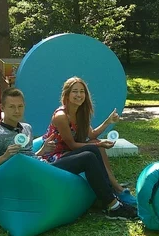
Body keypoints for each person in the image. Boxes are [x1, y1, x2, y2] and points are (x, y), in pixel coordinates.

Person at [0, 88, 138, 220]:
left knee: (93, 149)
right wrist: (5, 156)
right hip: (33, 175)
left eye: (20, 106)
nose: (17, 110)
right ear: (2, 108)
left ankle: (109, 198)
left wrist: (42, 150)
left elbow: (28, 156)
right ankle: (114, 206)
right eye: (12, 107)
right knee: (88, 157)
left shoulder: (26, 128)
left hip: (42, 166)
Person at [41, 77, 136, 206]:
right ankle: (116, 190)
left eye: (82, 91)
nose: (79, 95)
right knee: (95, 146)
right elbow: (72, 145)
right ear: (67, 95)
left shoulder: (80, 113)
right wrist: (97, 144)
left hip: (68, 152)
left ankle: (115, 187)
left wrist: (108, 122)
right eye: (75, 91)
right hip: (54, 157)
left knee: (97, 145)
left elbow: (92, 135)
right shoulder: (61, 116)